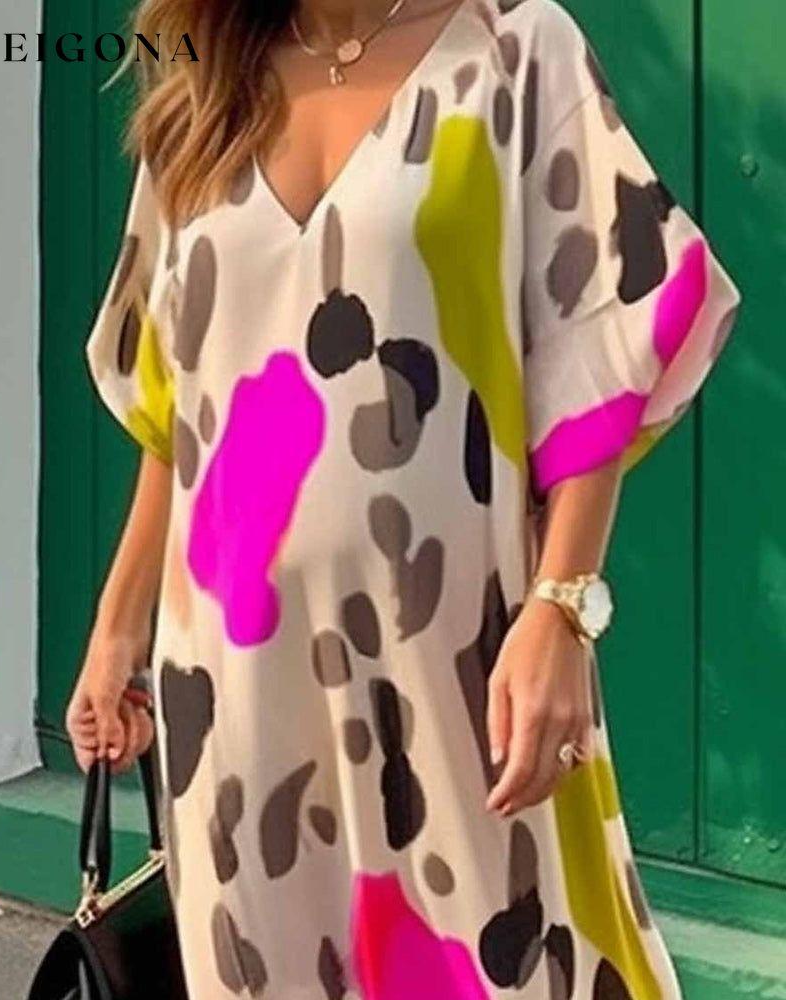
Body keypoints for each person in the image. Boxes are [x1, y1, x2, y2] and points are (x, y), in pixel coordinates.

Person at [65, 0, 742, 995]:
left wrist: (561, 607)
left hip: (458, 654)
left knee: (506, 963)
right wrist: (115, 631)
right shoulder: (206, 87)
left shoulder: (515, 48)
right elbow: (177, 410)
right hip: (233, 678)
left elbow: (601, 337)